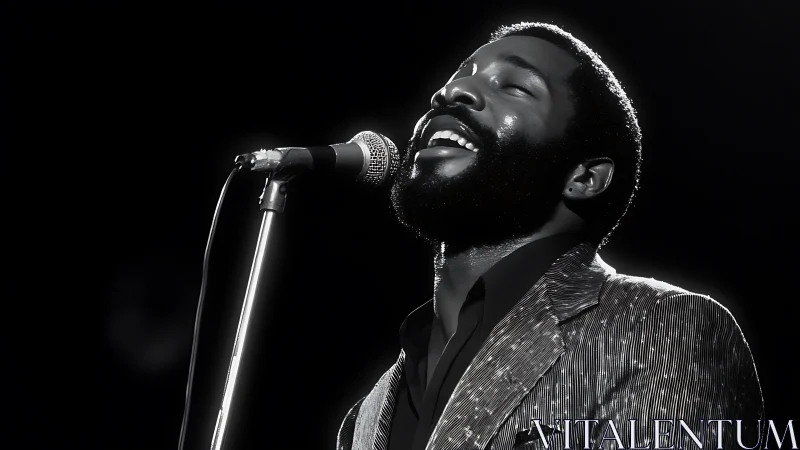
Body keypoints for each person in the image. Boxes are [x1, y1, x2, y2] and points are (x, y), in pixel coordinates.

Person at [336, 22, 764, 450]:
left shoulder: (663, 329)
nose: (453, 91)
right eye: (459, 75)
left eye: (516, 86)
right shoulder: (367, 414)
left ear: (584, 177)